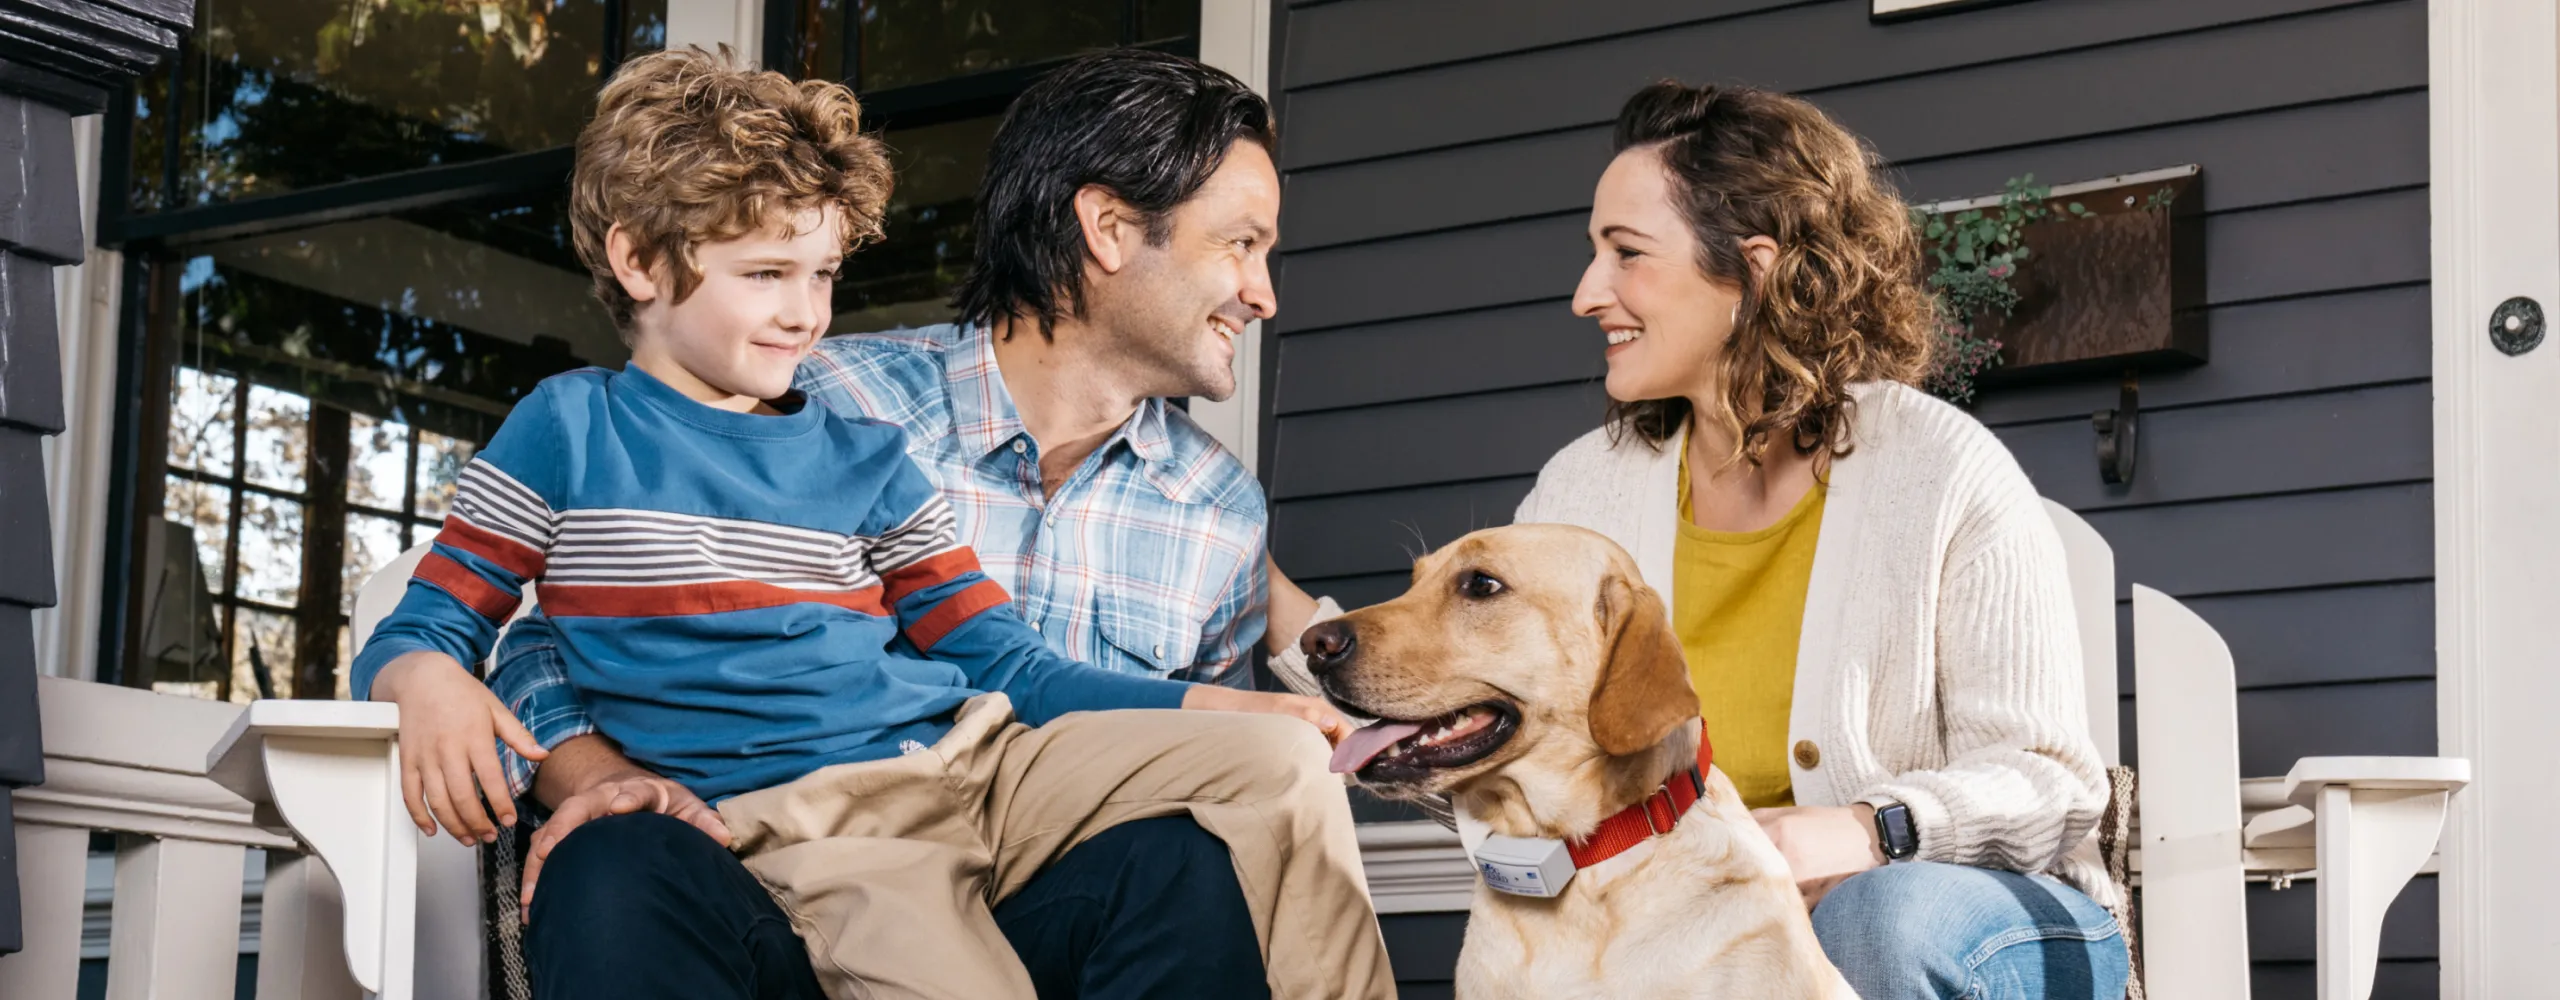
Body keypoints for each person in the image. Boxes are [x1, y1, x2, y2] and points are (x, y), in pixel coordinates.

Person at [357, 48, 1393, 1000]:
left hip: (981, 763)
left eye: (820, 276)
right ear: (638, 262)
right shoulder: (646, 417)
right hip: (813, 831)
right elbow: (487, 620)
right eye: (767, 274)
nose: (804, 314)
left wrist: (1242, 711)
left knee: (1279, 767)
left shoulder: (874, 453)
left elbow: (1009, 666)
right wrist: (430, 676)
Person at [1503, 82, 2125, 999]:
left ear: (1753, 273)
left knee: (1872, 919)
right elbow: (1504, 733)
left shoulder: (1942, 468)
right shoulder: (1580, 493)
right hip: (1715, 930)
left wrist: (1873, 830)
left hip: (1984, 920)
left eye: (1625, 253)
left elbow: (2052, 782)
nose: (1586, 294)